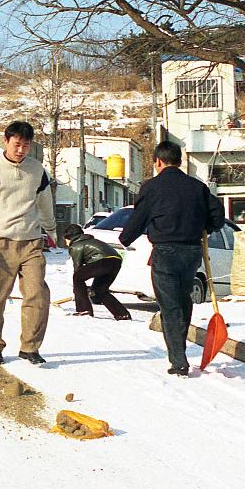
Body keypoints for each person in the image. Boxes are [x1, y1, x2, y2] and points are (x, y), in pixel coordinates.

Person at [119, 141, 224, 377]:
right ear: (179, 161)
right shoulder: (197, 187)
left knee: (169, 305)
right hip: (191, 252)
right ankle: (180, 348)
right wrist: (206, 224)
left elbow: (140, 217)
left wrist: (125, 238)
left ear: (157, 161)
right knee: (182, 300)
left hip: (165, 252)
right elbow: (217, 216)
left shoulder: (152, 187)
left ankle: (179, 361)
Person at [0, 120, 58, 365]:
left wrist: (51, 229)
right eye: (17, 144)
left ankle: (30, 347)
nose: (21, 150)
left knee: (37, 294)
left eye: (26, 146)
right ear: (6, 141)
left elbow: (46, 202)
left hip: (31, 242)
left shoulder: (37, 170)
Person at [63, 223, 131, 321]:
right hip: (116, 261)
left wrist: (77, 289)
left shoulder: (76, 245)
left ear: (69, 237)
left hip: (103, 261)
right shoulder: (91, 240)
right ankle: (122, 314)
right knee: (99, 291)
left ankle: (84, 310)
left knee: (77, 277)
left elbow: (77, 269)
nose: (65, 242)